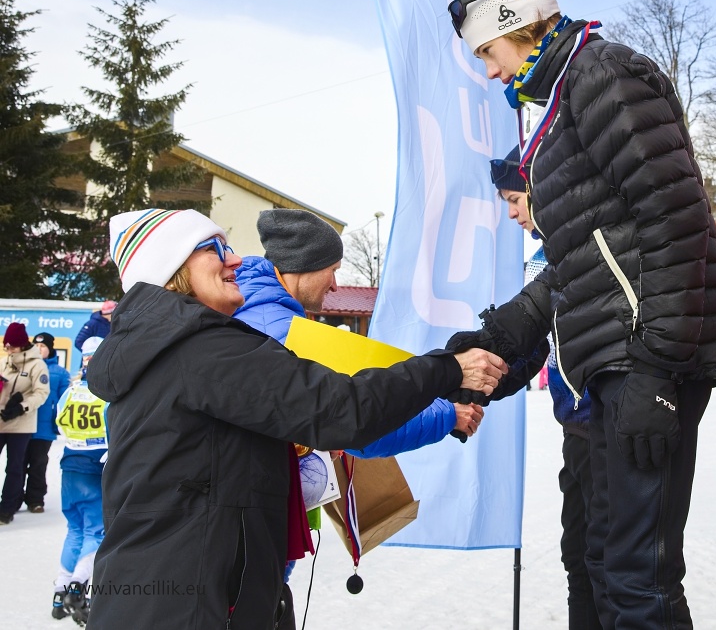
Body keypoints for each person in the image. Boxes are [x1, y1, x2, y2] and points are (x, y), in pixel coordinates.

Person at [447, 0, 716, 629]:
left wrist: (656, 370)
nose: (490, 71)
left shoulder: (601, 74)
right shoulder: (564, 99)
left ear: (513, 21)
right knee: (602, 565)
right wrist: (503, 335)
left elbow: (674, 219)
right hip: (616, 359)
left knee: (637, 580)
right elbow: (583, 260)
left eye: (487, 51)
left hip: (644, 357)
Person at [86, 208, 512, 629]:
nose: (236, 259)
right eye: (215, 249)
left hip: (171, 590)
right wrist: (446, 371)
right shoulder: (204, 350)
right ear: (173, 266)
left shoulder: (169, 348)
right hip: (187, 603)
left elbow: (206, 462)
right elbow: (341, 410)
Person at [233, 208, 485, 627]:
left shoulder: (260, 310)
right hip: (252, 519)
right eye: (331, 270)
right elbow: (359, 421)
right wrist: (448, 416)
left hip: (255, 511)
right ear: (302, 266)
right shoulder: (280, 329)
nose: (335, 284)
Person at [491, 154, 601, 630]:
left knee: (610, 563)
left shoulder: (589, 242)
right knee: (576, 555)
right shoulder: (539, 259)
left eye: (515, 199)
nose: (512, 213)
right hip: (574, 431)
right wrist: (483, 380)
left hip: (610, 427)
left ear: (542, 188)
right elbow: (534, 345)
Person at [51, 335, 107, 625]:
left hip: (70, 465)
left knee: (74, 530)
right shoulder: (105, 393)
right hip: (96, 467)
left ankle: (59, 594)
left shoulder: (71, 391)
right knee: (96, 532)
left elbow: (57, 422)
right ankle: (77, 588)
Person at [0, 322, 50, 525]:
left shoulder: (37, 365)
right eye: (6, 346)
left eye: (12, 346)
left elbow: (42, 392)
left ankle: (7, 508)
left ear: (22, 344)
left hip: (21, 424)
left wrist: (22, 406)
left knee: (15, 466)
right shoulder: (4, 362)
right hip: (1, 419)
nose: (8, 349)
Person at [23, 332, 70, 514]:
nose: (39, 349)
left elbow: (63, 401)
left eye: (43, 346)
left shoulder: (60, 372)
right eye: (36, 345)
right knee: (18, 464)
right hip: (22, 424)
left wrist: (57, 422)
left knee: (38, 463)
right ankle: (13, 498)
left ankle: (35, 499)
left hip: (44, 428)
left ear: (50, 349)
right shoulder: (25, 367)